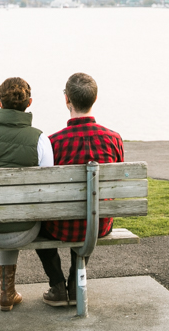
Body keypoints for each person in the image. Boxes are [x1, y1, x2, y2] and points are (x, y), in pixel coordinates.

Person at [0, 77, 54, 311]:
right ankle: (7, 291)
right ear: (30, 102)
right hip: (20, 232)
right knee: (14, 213)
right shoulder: (40, 139)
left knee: (2, 209)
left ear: (0, 104)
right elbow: (47, 188)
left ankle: (7, 291)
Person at [36, 72, 124, 307]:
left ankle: (57, 285)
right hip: (99, 225)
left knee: (38, 226)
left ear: (67, 100)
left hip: (61, 227)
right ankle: (76, 285)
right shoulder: (113, 139)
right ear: (94, 99)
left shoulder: (53, 142)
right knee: (90, 213)